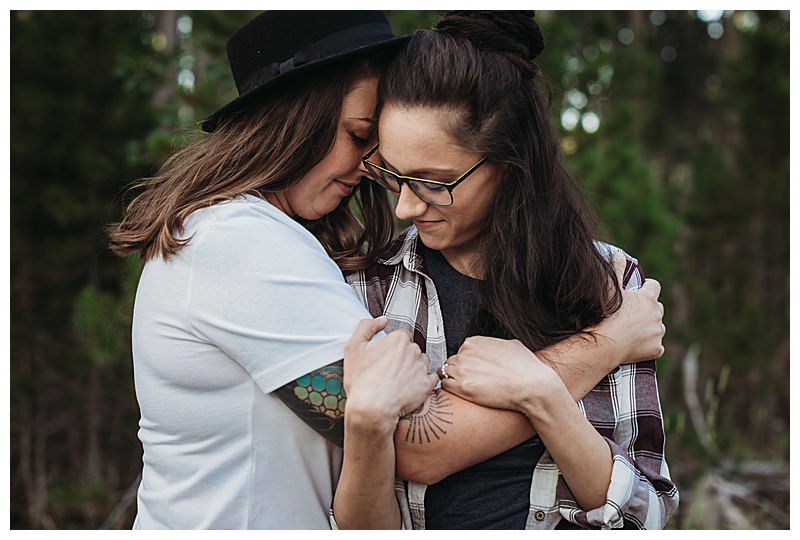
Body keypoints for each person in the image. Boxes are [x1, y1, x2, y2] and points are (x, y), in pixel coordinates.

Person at [109, 10, 666, 530]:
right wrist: (605, 344)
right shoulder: (245, 242)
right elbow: (412, 445)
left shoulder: (602, 277)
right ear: (295, 123)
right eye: (359, 136)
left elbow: (646, 504)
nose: (380, 182)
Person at [338, 10, 678, 530]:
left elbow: (647, 517)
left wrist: (540, 393)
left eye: (434, 182)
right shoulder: (367, 286)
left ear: (511, 164)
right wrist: (601, 348)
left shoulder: (608, 281)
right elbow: (391, 477)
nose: (406, 207)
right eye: (392, 174)